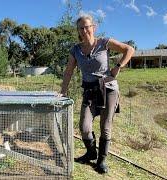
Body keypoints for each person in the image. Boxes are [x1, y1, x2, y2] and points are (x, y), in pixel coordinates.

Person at [60, 14, 134, 173]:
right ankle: (91, 153)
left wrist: (118, 66)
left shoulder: (104, 43)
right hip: (89, 91)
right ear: (78, 31)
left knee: (105, 126)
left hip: (108, 89)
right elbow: (68, 71)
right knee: (85, 126)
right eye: (81, 28)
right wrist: (63, 90)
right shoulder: (76, 50)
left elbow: (129, 49)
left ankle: (101, 161)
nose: (85, 30)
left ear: (94, 27)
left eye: (87, 26)